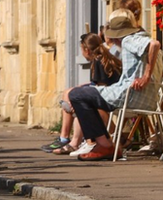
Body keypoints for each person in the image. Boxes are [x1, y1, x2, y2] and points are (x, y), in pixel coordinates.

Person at [69, 9, 162, 161]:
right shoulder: (140, 39)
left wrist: (146, 76)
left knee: (76, 95)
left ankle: (104, 145)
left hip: (129, 96)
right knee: (86, 93)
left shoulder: (129, 40)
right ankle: (104, 144)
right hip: (145, 99)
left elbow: (155, 44)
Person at [44, 33, 121, 155]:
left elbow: (101, 89)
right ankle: (66, 138)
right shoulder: (103, 57)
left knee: (76, 98)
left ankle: (78, 142)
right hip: (112, 95)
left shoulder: (99, 61)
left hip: (110, 99)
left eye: (81, 49)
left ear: (86, 49)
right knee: (69, 92)